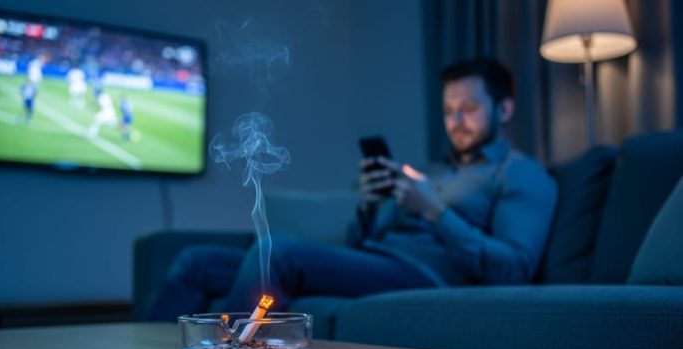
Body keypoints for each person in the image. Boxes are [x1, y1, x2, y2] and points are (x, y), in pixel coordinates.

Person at [148, 58, 558, 324]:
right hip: (373, 263)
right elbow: (360, 241)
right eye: (449, 110)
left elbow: (515, 268)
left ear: (504, 109)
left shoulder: (522, 174)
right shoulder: (433, 172)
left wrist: (435, 212)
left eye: (468, 108)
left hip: (426, 277)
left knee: (280, 253)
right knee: (195, 260)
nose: (455, 121)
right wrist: (370, 204)